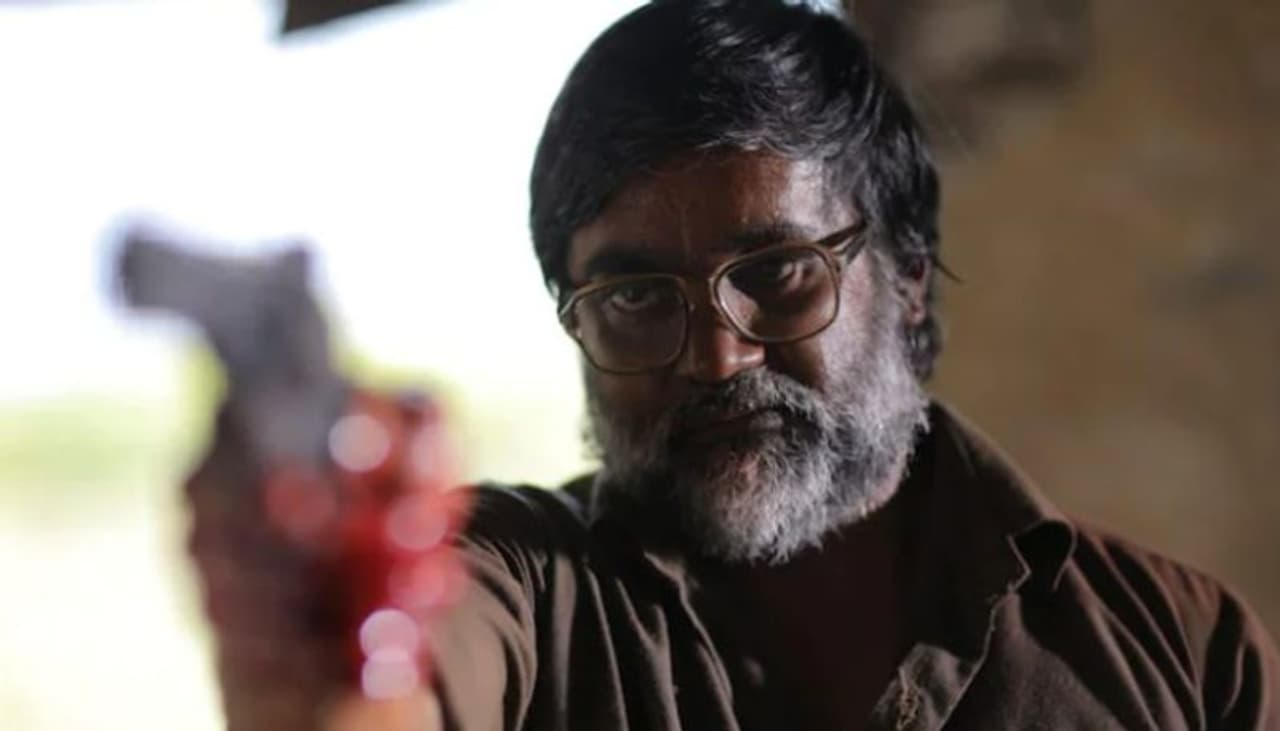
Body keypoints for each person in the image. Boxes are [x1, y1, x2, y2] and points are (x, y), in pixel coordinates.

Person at [191, 1, 1280, 729]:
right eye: (632, 298)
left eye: (778, 272)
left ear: (906, 274)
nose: (717, 354)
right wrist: (338, 618)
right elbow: (413, 671)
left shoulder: (1179, 649)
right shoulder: (530, 594)